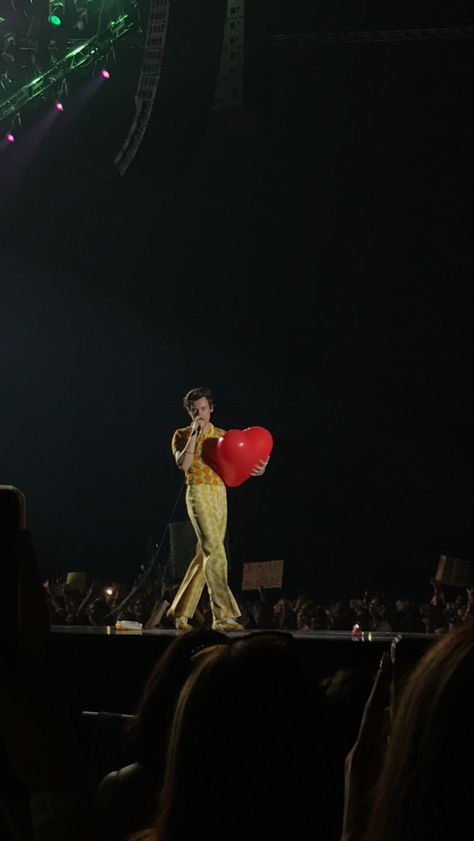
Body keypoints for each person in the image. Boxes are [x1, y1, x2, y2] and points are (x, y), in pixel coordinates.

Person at [166, 387, 268, 632]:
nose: (199, 413)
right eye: (194, 411)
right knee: (216, 552)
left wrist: (257, 469)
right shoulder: (181, 434)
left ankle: (179, 611)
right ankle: (222, 615)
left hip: (219, 493)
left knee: (206, 555)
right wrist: (193, 434)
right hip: (198, 491)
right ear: (189, 413)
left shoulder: (223, 435)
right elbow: (185, 464)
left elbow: (236, 468)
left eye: (202, 408)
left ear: (210, 408)